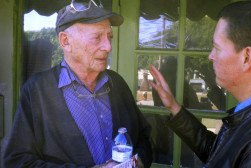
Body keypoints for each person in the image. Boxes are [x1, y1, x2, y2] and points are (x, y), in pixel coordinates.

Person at [149, 1, 251, 167]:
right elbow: (219, 153)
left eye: (217, 48)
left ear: (247, 58)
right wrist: (174, 107)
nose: (211, 56)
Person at [3, 1, 152, 168]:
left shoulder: (117, 83)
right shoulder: (36, 90)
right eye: (97, 37)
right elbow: (16, 162)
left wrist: (140, 161)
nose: (108, 46)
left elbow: (143, 137)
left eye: (109, 37)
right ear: (65, 41)